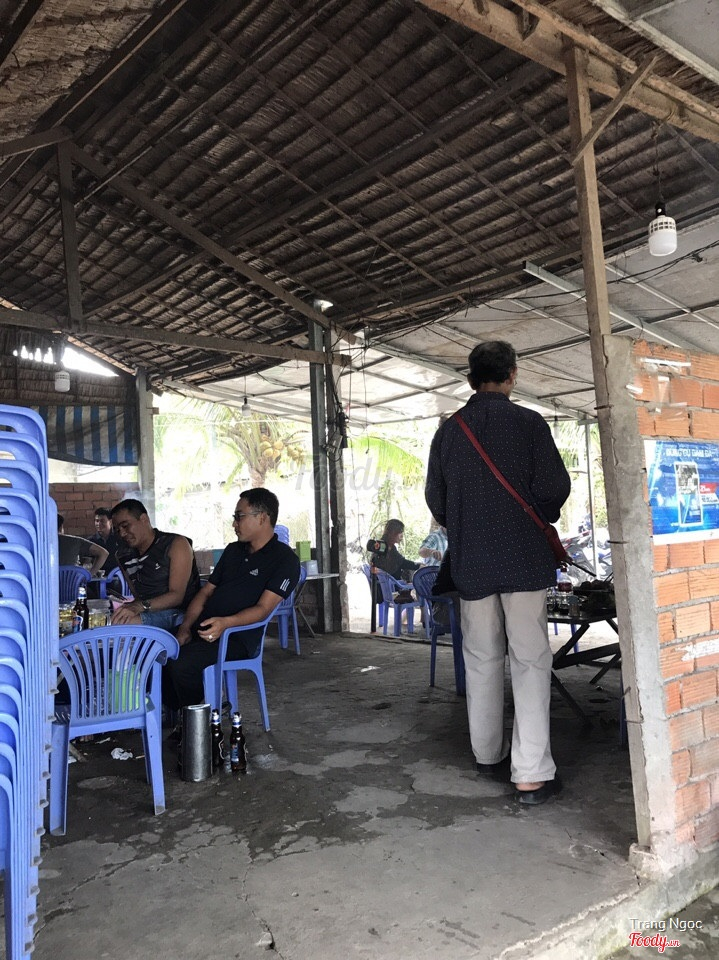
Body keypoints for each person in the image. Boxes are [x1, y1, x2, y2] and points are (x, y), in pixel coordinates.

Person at [425, 341, 570, 806]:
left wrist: (469, 523)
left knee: (481, 659)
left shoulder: (450, 432)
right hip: (524, 561)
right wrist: (529, 517)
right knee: (530, 662)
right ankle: (530, 773)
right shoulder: (529, 423)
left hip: (472, 564)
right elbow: (553, 488)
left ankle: (487, 755)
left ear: (472, 379)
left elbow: (436, 501)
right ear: (512, 375)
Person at [163, 487, 300, 710]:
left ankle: (199, 718)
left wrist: (225, 623)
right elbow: (206, 592)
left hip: (237, 638)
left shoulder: (285, 560)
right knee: (155, 648)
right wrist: (185, 628)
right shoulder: (233, 551)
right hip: (204, 629)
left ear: (262, 518)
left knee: (183, 663)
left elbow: (263, 609)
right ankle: (175, 713)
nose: (234, 524)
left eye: (239, 517)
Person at [110, 498, 201, 630]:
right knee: (105, 620)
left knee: (123, 625)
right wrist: (128, 608)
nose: (122, 533)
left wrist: (138, 607)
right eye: (117, 530)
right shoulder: (123, 555)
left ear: (144, 519)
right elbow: (138, 596)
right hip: (148, 611)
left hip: (181, 614)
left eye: (125, 526)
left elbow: (177, 596)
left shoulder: (176, 544)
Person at [89, 507, 121, 571]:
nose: (98, 524)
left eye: (102, 521)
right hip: (98, 575)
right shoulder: (91, 541)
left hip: (117, 574)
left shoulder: (119, 538)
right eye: (97, 521)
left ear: (110, 522)